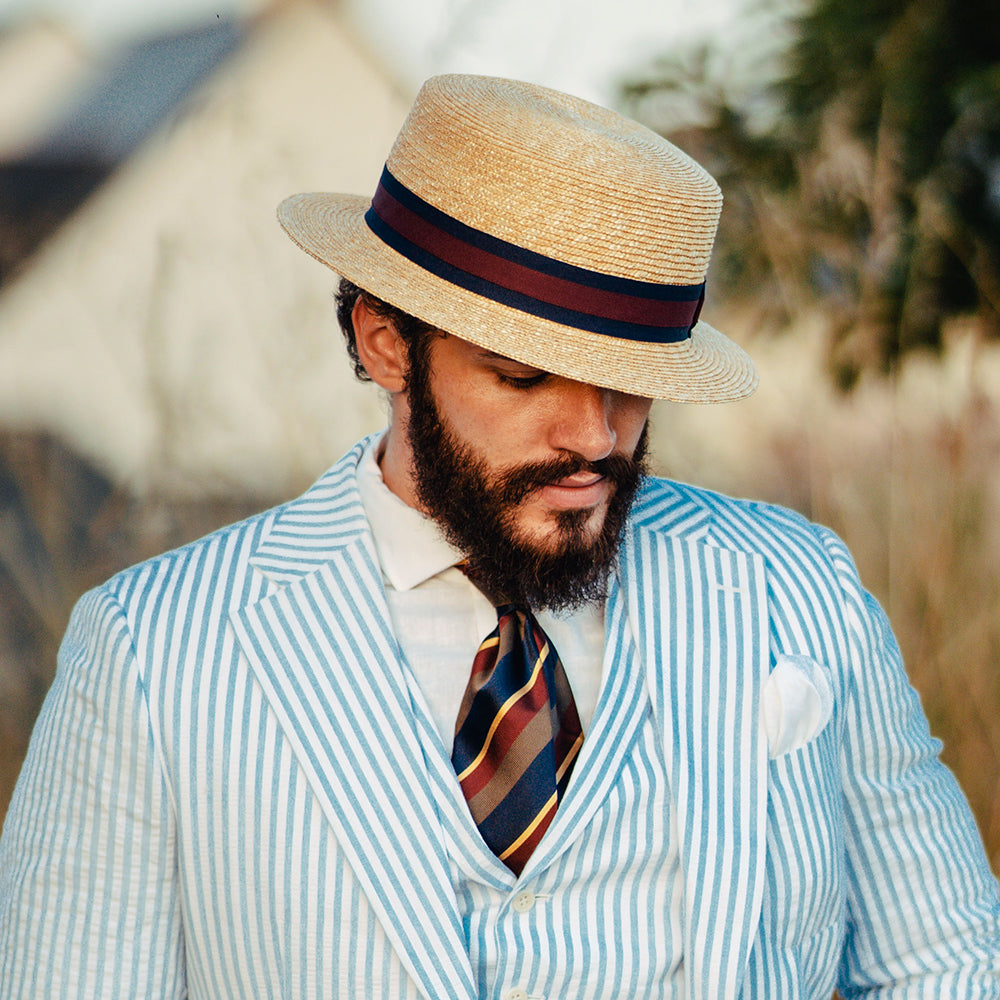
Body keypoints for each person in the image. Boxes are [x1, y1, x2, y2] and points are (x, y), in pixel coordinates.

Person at [1, 73, 998, 1000]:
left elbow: (944, 959)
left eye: (629, 383)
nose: (594, 437)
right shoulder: (154, 650)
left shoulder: (795, 586)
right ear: (386, 341)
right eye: (523, 378)